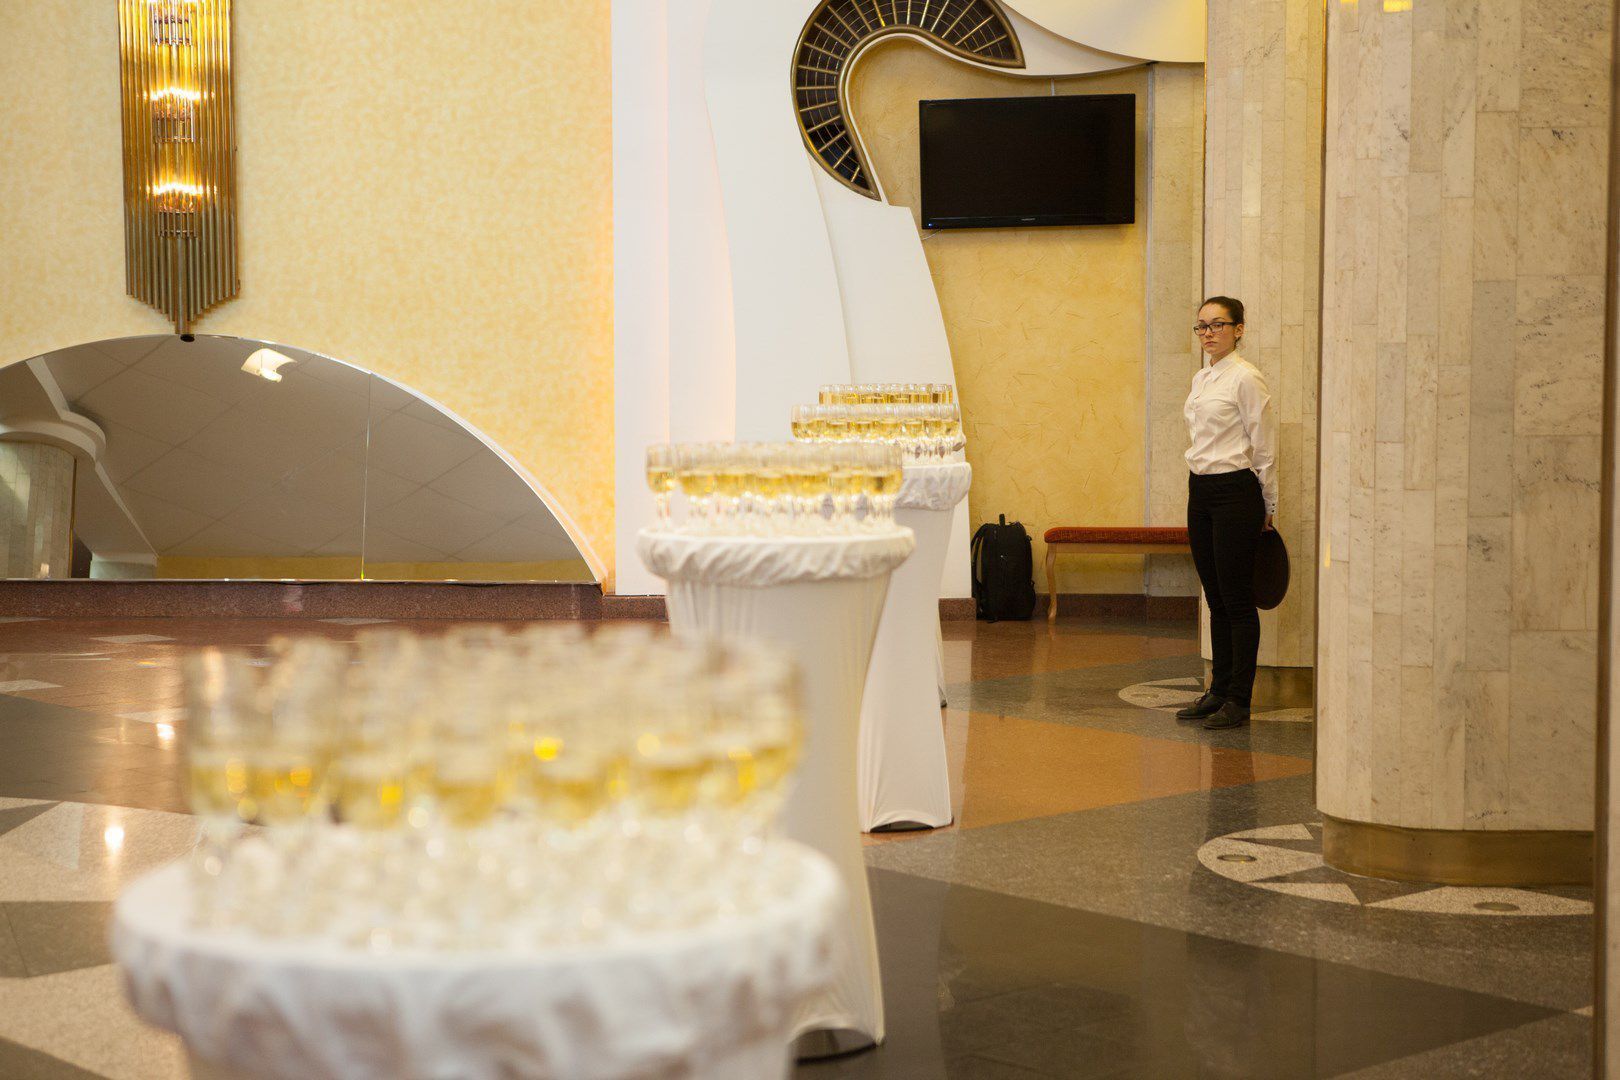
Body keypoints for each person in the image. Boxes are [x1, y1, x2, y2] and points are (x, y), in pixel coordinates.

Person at [1175, 296, 1275, 730]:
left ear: (1239, 329)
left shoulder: (1246, 377)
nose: (1208, 333)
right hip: (1200, 488)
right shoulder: (1201, 378)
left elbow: (1264, 445)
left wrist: (1269, 504)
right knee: (1214, 597)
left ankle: (1239, 700)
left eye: (1218, 324)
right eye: (1202, 326)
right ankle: (1217, 690)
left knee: (1236, 599)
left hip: (1236, 490)